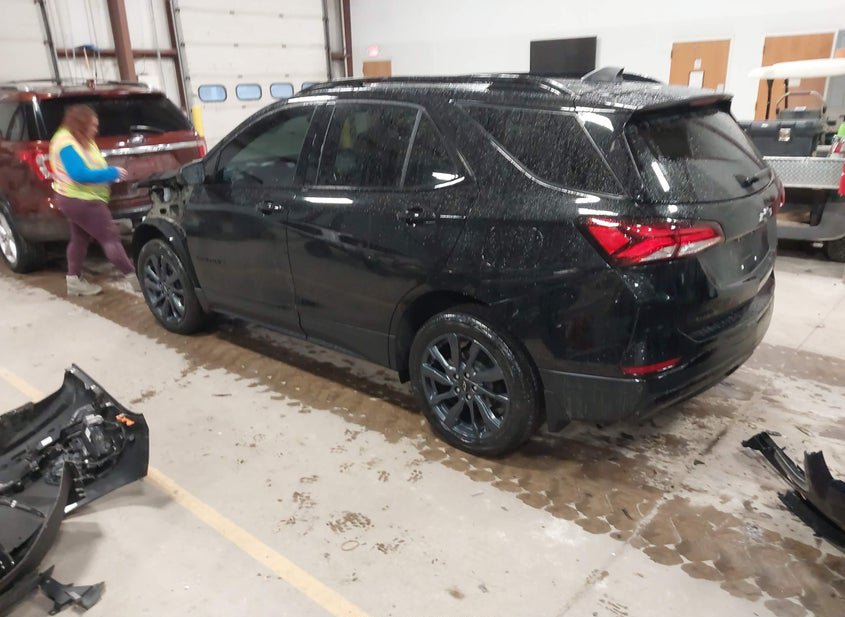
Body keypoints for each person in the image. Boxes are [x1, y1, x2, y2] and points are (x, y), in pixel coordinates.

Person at [48, 104, 140, 296]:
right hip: (82, 200)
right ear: (81, 124)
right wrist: (112, 172)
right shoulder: (66, 143)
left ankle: (74, 281)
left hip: (75, 198)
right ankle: (136, 279)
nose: (96, 129)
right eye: (93, 125)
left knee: (79, 239)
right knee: (110, 238)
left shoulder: (78, 138)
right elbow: (79, 174)